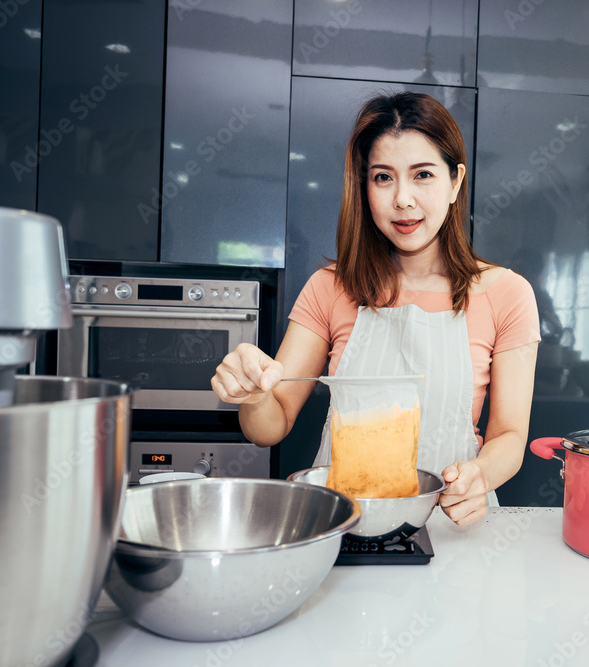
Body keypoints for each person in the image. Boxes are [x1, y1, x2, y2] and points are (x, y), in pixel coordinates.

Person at [211, 92, 540, 526]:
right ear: (363, 186)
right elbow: (270, 426)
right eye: (383, 178)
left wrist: (479, 475)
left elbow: (509, 436)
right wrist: (253, 396)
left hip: (450, 523)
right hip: (341, 526)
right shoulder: (329, 288)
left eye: (422, 174)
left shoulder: (507, 294)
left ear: (456, 181)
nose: (402, 199)